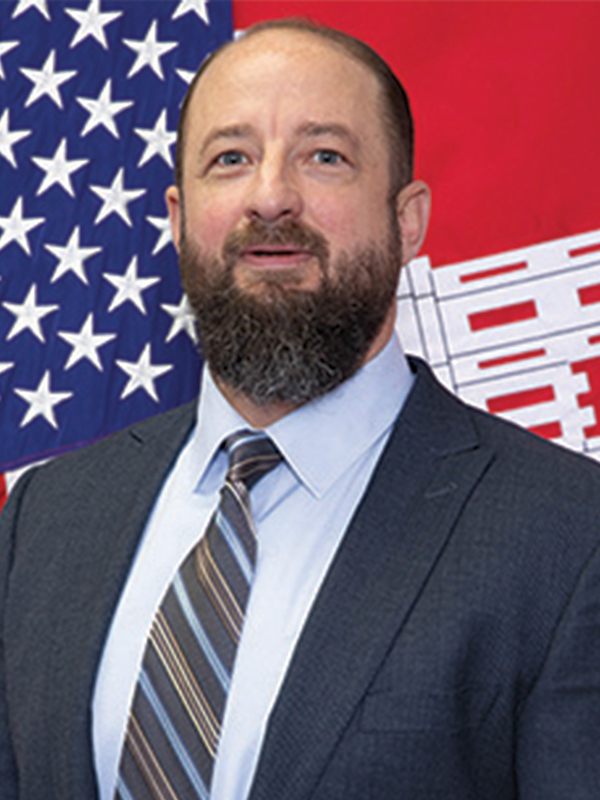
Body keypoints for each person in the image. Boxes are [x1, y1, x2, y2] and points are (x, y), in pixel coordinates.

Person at [1, 17, 599, 800]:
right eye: (231, 159)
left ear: (407, 218)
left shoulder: (568, 536)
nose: (272, 196)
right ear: (180, 220)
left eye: (325, 157)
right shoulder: (47, 516)